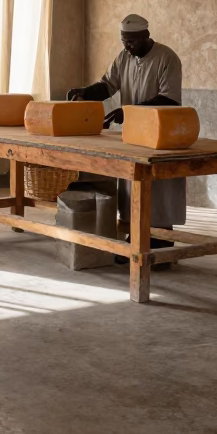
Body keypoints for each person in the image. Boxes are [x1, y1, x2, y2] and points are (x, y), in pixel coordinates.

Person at [67, 14, 185, 270]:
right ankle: (137, 240)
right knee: (132, 188)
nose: (127, 46)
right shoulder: (124, 58)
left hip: (161, 135)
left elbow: (169, 99)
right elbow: (107, 85)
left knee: (159, 192)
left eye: (131, 41)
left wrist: (128, 111)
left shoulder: (167, 58)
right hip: (133, 135)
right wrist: (84, 92)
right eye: (124, 41)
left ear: (145, 36)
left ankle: (162, 244)